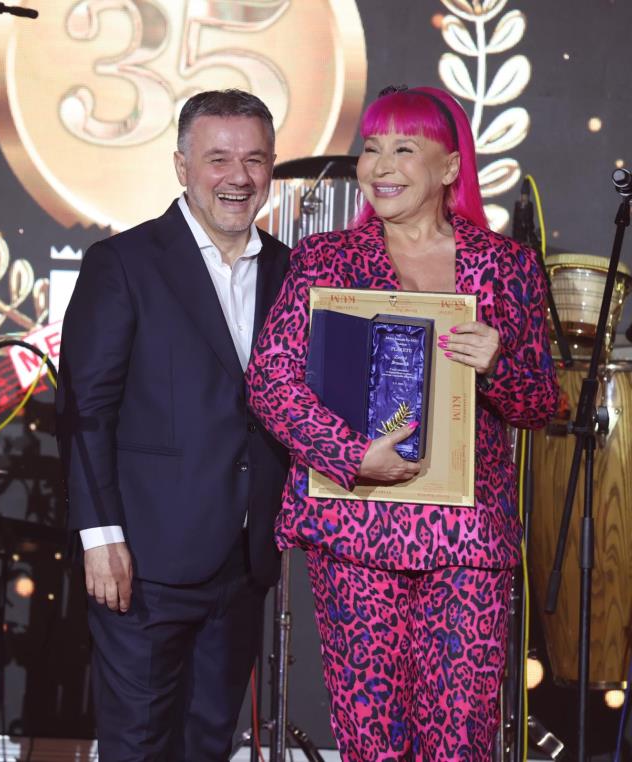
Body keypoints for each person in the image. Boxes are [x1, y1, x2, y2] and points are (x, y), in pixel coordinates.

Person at [246, 85, 559, 761]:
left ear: (450, 167)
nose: (381, 165)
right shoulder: (325, 258)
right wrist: (350, 453)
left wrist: (498, 363)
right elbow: (271, 379)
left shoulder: (506, 267)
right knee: (371, 741)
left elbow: (541, 402)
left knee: (460, 740)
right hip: (356, 529)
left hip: (467, 540)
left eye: (404, 148)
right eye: (372, 148)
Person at [56, 89, 290, 761]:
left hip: (245, 561)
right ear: (182, 166)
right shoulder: (124, 263)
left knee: (207, 744)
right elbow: (85, 410)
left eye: (254, 159)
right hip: (143, 560)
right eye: (218, 159)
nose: (238, 177)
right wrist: (101, 537)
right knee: (138, 745)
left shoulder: (288, 270)